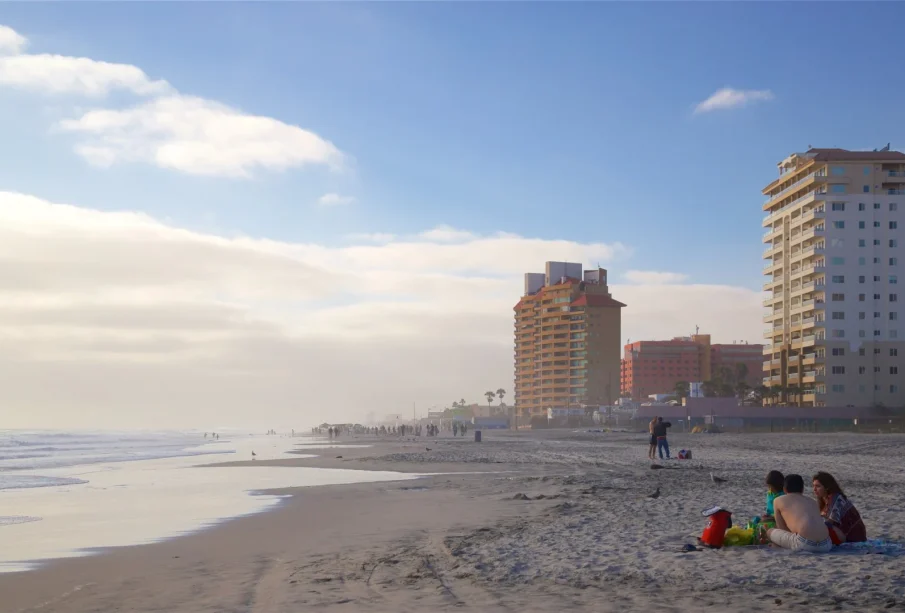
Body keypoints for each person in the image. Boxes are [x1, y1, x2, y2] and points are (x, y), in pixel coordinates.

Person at [767, 474, 832, 552]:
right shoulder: (813, 502)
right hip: (826, 545)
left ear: (784, 489)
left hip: (804, 544)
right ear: (802, 489)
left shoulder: (777, 500)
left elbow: (782, 529)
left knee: (769, 531)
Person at [813, 472, 867, 545]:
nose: (814, 489)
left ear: (827, 487)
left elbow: (830, 522)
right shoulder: (824, 500)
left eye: (818, 486)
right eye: (813, 486)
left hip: (853, 538)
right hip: (841, 533)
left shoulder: (837, 498)